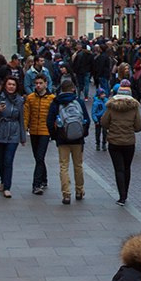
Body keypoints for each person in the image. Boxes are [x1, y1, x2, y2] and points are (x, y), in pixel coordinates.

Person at [47, 76, 90, 204]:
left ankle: (66, 194)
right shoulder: (79, 102)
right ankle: (79, 190)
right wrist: (82, 134)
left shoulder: (56, 102)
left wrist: (55, 136)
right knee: (78, 165)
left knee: (63, 166)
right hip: (77, 139)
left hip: (62, 139)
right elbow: (86, 120)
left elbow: (49, 122)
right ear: (72, 89)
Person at [101, 77, 141, 205]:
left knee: (118, 169)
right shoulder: (134, 108)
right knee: (127, 168)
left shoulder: (111, 107)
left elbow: (104, 122)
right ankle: (126, 192)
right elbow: (138, 127)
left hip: (114, 142)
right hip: (129, 142)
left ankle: (122, 196)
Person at [0, 76, 26, 197]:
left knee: (8, 160)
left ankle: (7, 187)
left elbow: (21, 119)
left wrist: (22, 137)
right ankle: (3, 181)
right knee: (1, 160)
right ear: (5, 85)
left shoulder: (19, 100)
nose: (11, 87)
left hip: (13, 132)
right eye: (9, 84)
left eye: (13, 85)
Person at [23, 73, 54, 195]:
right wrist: (24, 130)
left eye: (41, 83)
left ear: (46, 84)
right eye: (36, 83)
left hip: (45, 132)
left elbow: (53, 116)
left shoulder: (52, 98)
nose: (38, 86)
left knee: (40, 157)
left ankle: (36, 184)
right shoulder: (30, 98)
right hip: (34, 131)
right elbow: (26, 115)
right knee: (38, 158)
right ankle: (44, 179)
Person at [91, 86, 108, 151]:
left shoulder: (106, 101)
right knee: (98, 133)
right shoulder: (96, 103)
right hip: (98, 119)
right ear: (99, 95)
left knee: (105, 132)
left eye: (104, 94)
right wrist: (95, 120)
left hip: (104, 119)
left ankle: (104, 143)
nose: (104, 95)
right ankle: (98, 143)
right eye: (102, 94)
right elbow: (93, 112)